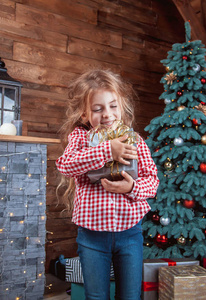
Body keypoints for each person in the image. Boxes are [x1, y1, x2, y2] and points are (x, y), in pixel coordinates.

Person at [56, 69, 159, 300]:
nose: (107, 114)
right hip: (92, 237)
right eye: (97, 108)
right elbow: (65, 165)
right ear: (84, 115)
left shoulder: (136, 140)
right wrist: (107, 150)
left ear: (121, 105)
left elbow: (152, 181)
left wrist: (132, 188)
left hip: (130, 233)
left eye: (113, 106)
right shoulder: (80, 139)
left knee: (131, 296)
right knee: (96, 296)